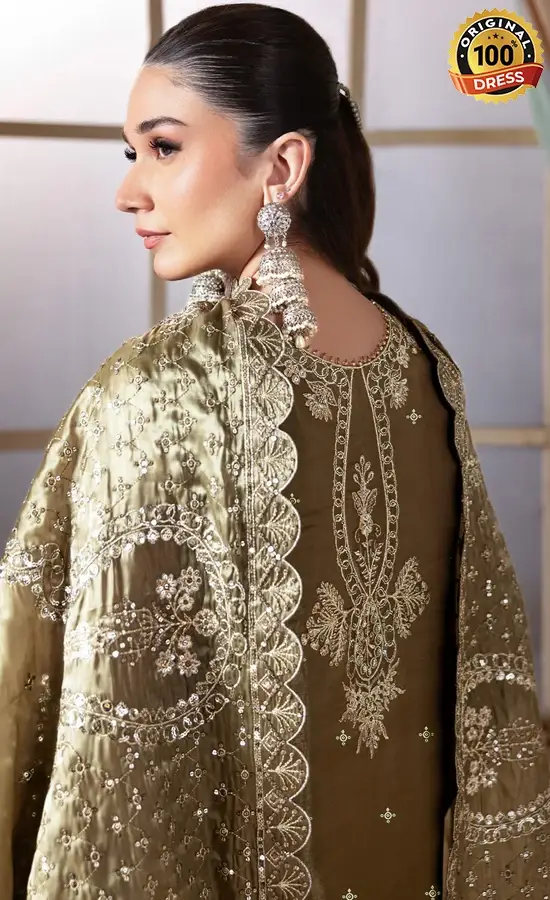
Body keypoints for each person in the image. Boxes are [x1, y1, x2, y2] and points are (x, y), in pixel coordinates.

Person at [1, 4, 548, 898]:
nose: (129, 191)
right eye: (130, 153)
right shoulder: (428, 367)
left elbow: (97, 739)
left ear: (283, 166)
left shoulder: (156, 392)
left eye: (163, 147)